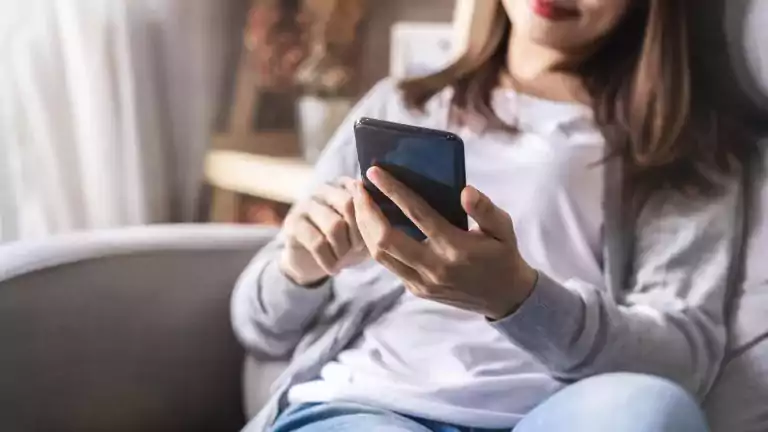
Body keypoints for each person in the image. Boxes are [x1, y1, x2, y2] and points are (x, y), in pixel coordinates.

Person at [232, 0, 752, 431]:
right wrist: (299, 267)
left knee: (655, 412)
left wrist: (519, 298)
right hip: (372, 403)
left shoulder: (679, 148)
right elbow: (258, 327)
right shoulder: (405, 103)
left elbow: (683, 356)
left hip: (555, 415)